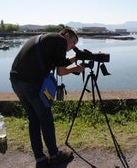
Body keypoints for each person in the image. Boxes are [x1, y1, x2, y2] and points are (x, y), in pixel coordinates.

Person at [10, 28, 84, 167]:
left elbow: (58, 63)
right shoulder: (61, 41)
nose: (73, 47)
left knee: (34, 119)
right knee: (46, 118)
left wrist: (74, 59)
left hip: (16, 80)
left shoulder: (47, 39)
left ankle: (40, 159)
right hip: (31, 83)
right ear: (66, 36)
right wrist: (77, 68)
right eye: (73, 43)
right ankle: (55, 156)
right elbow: (61, 71)